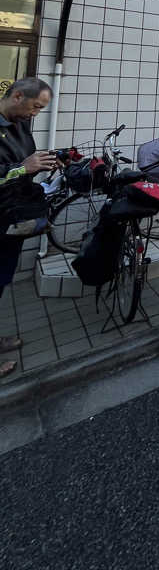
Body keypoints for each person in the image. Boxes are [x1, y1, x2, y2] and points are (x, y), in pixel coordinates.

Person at [0, 78, 56, 378]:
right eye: (35, 106)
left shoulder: (19, 126)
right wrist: (23, 168)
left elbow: (23, 163)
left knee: (0, 282)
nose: (35, 114)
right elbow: (17, 167)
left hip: (12, 218)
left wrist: (43, 163)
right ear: (18, 95)